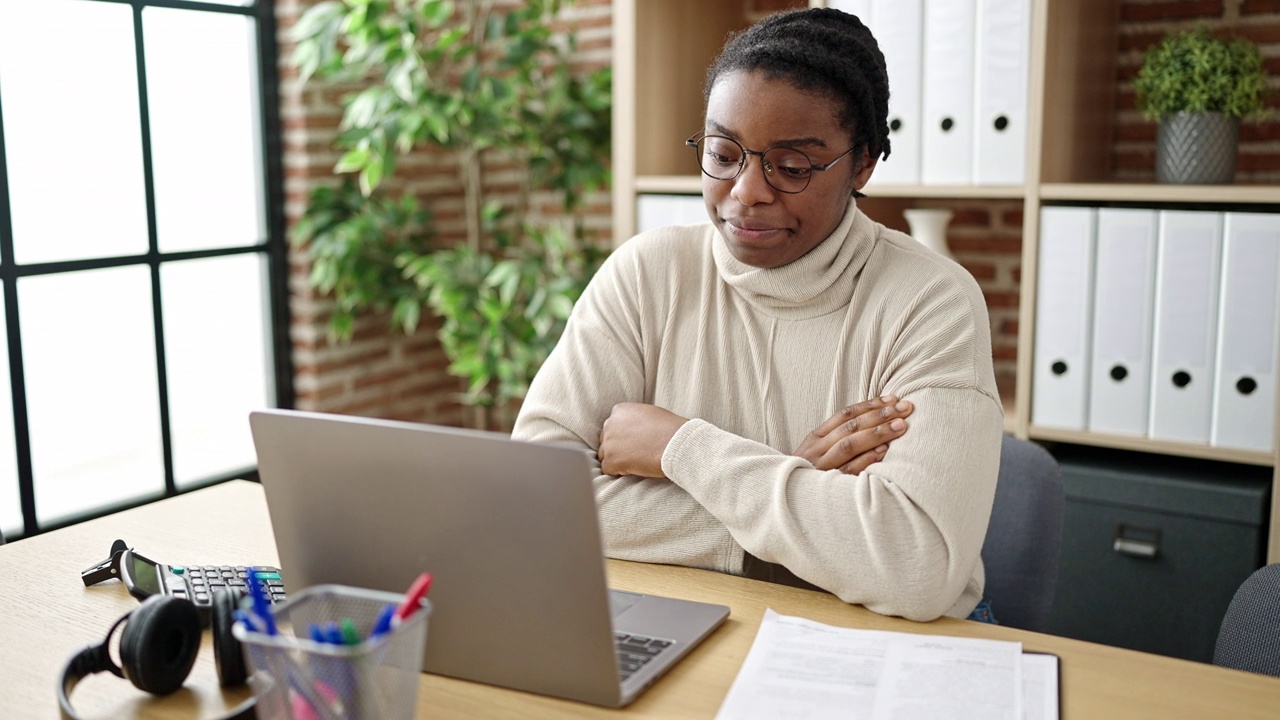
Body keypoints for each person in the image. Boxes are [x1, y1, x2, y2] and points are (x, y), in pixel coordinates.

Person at [511, 7, 1003, 622]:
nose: (747, 191)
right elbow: (535, 498)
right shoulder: (647, 274)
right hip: (700, 610)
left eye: (792, 167)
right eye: (722, 154)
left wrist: (679, 448)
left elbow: (914, 565)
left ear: (863, 164)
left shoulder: (930, 303)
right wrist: (797, 506)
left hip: (889, 638)